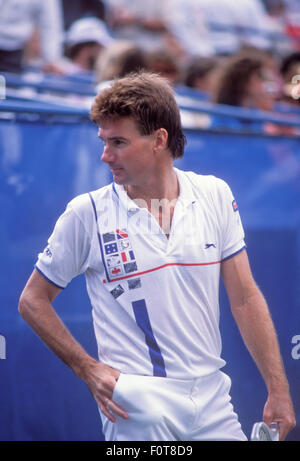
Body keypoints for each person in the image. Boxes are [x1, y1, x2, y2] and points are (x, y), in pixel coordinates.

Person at [18, 71, 296, 441]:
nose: (105, 155)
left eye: (118, 142)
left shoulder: (214, 193)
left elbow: (245, 297)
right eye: (103, 141)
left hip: (213, 397)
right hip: (137, 402)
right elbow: (31, 300)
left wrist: (278, 389)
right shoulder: (86, 213)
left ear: (159, 140)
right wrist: (87, 369)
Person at [0, 0, 64, 74]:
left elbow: (50, 25)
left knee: (7, 82)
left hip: (14, 51)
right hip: (14, 48)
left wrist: (52, 59)